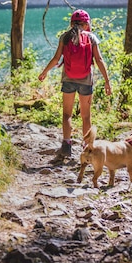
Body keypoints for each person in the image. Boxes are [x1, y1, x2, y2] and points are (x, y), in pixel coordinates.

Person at [38, 9, 112, 165]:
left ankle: (66, 145)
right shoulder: (91, 38)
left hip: (68, 79)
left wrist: (44, 72)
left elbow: (56, 59)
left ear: (71, 23)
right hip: (86, 80)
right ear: (86, 24)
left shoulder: (64, 37)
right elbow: (98, 59)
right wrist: (107, 81)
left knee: (67, 114)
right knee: (86, 116)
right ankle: (87, 149)